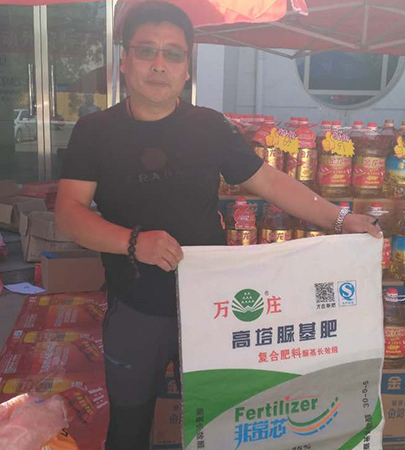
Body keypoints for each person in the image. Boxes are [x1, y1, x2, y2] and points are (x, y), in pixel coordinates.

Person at [55, 2, 381, 449]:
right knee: (128, 428)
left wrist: (341, 218)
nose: (159, 64)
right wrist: (133, 243)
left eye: (173, 54)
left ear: (187, 68)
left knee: (223, 425)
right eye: (146, 50)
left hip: (213, 311)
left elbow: (270, 181)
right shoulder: (95, 131)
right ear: (124, 61)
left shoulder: (208, 127)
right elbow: (69, 213)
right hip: (134, 309)